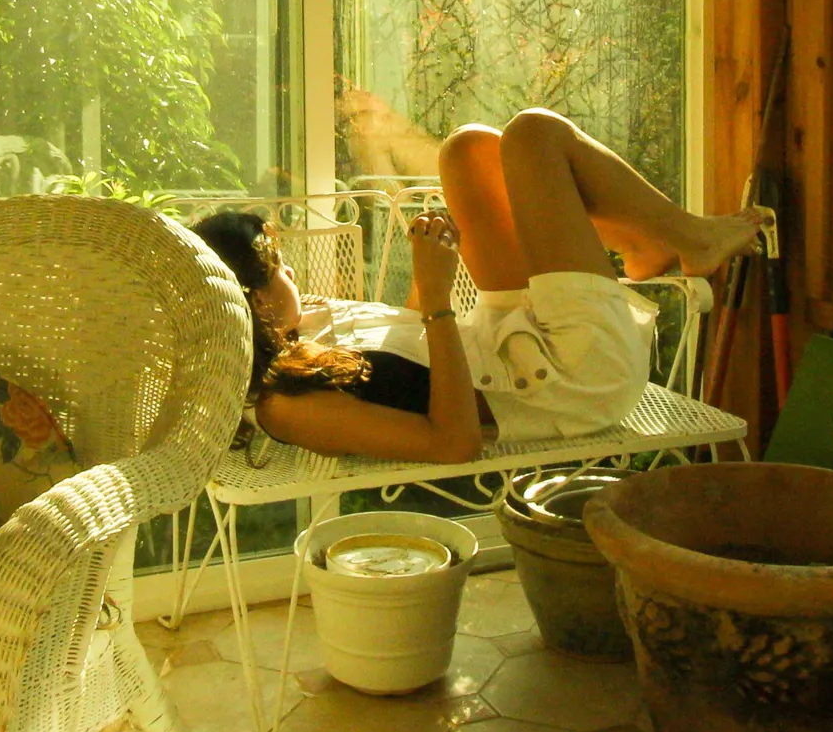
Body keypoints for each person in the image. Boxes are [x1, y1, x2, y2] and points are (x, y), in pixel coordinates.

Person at [191, 108, 768, 465]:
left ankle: (653, 245)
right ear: (255, 300)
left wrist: (437, 255)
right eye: (280, 270)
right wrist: (438, 296)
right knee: (535, 135)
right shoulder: (285, 406)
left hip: (507, 338)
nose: (294, 274)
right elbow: (453, 443)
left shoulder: (304, 324)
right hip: (569, 379)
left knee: (466, 148)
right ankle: (681, 240)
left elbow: (407, 346)